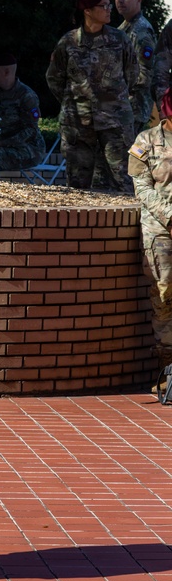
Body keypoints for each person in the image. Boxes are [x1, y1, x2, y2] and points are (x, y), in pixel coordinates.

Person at [46, 0, 139, 191]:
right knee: (78, 184)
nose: (109, 9)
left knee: (124, 180)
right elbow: (54, 78)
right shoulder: (68, 42)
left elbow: (132, 74)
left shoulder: (119, 39)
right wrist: (75, 101)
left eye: (108, 5)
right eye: (103, 6)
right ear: (87, 11)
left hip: (115, 121)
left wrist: (113, 99)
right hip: (78, 123)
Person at [128, 88, 172, 378]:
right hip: (160, 230)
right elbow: (142, 188)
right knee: (165, 294)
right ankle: (167, 368)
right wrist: (171, 217)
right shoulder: (146, 140)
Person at [115, 0, 156, 132]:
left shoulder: (141, 32)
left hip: (133, 111)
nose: (120, 0)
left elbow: (146, 75)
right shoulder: (123, 28)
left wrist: (115, 84)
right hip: (121, 109)